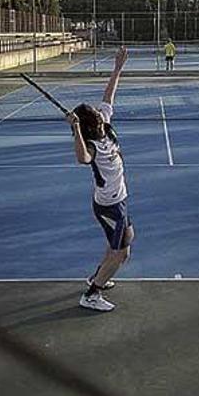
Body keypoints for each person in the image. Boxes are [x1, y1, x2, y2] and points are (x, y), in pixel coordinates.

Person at [67, 47, 134, 312]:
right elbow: (83, 158)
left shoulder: (105, 124)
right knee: (121, 253)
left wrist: (118, 68)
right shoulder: (91, 143)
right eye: (92, 112)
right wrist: (75, 131)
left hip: (120, 201)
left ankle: (98, 277)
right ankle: (91, 294)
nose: (98, 110)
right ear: (87, 123)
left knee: (123, 245)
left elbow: (109, 94)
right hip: (109, 204)